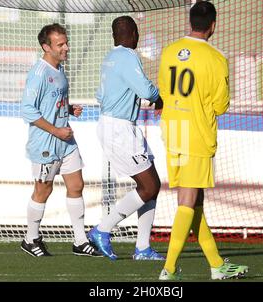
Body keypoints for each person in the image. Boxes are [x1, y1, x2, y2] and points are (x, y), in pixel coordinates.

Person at [157, 2, 248, 280]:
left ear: (190, 21)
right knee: (187, 199)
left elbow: (162, 90)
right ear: (213, 24)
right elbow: (220, 106)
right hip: (196, 133)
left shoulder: (169, 51)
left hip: (173, 131)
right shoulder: (215, 58)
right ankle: (169, 269)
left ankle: (217, 264)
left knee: (196, 200)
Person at [20, 23, 102, 257]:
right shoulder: (39, 73)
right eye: (61, 44)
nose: (66, 47)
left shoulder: (58, 69)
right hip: (46, 143)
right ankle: (30, 238)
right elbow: (28, 110)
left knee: (76, 185)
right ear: (46, 47)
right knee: (43, 191)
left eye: (66, 42)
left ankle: (79, 241)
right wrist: (56, 131)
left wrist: (68, 107)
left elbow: (52, 101)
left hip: (65, 141)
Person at [87, 16, 164, 261]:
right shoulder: (128, 56)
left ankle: (142, 248)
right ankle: (102, 230)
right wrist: (158, 96)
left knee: (152, 186)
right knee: (149, 186)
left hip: (116, 125)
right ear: (133, 33)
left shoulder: (109, 58)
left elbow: (101, 94)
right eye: (137, 33)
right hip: (120, 129)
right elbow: (145, 90)